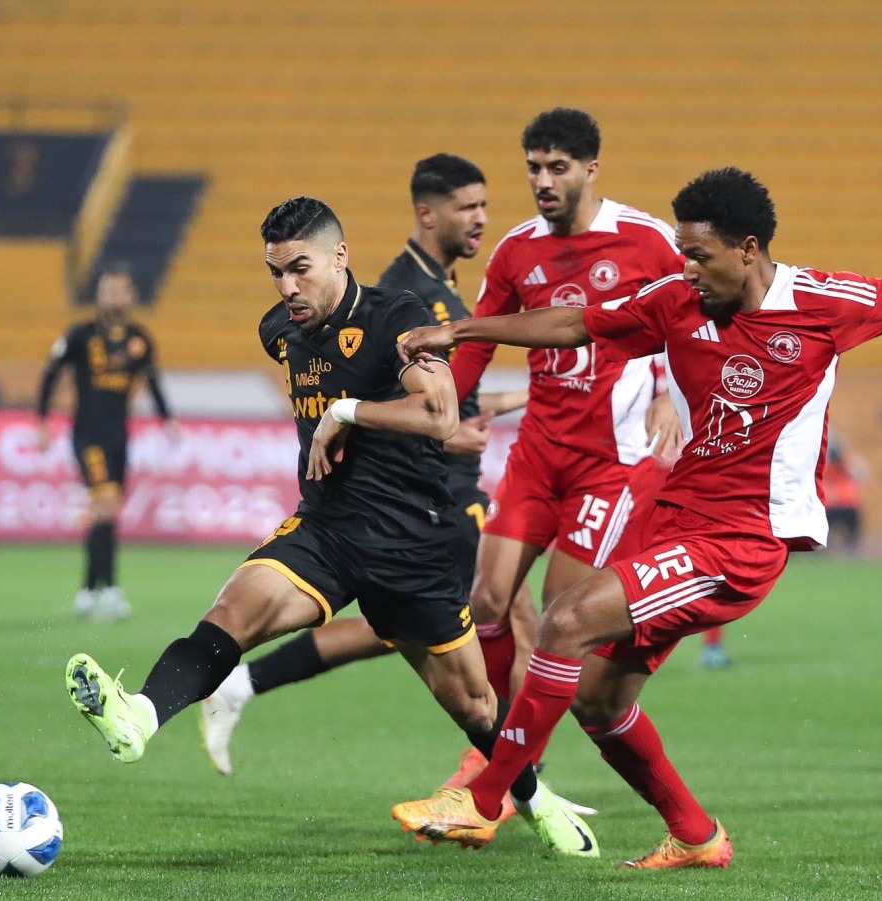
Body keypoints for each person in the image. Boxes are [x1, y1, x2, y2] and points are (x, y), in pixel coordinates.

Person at [390, 167, 882, 868]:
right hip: (678, 521)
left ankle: (482, 801)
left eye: (699, 254)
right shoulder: (676, 300)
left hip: (744, 538)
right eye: (681, 252)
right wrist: (464, 331)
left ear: (748, 249)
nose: (684, 268)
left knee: (564, 620)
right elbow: (574, 323)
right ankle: (696, 834)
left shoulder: (821, 301)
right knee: (597, 699)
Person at [63, 196, 599, 858]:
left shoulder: (395, 318)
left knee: (476, 709)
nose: (288, 287)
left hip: (413, 546)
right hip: (326, 531)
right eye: (276, 273)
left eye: (300, 268)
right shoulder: (281, 329)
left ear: (341, 257)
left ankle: (538, 801)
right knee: (233, 610)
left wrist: (346, 410)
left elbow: (437, 415)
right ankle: (138, 716)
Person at [198, 156, 535, 803]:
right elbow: (397, 399)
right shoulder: (406, 294)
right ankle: (501, 779)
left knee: (432, 626)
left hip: (449, 483)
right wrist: (435, 425)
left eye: (484, 205)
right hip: (430, 491)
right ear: (427, 213)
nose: (482, 219)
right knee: (504, 618)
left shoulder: (443, 287)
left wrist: (526, 394)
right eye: (468, 207)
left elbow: (455, 399)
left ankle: (245, 684)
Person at [441, 109, 681, 784]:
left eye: (557, 168)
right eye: (533, 169)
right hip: (538, 455)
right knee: (485, 601)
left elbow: (686, 324)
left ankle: (509, 770)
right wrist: (445, 416)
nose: (542, 182)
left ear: (591, 168)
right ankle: (496, 742)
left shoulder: (647, 241)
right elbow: (481, 340)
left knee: (554, 619)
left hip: (609, 464)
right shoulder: (517, 250)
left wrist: (672, 394)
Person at [36, 262, 176, 620]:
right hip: (88, 436)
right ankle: (110, 591)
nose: (114, 297)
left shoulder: (139, 340)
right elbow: (51, 375)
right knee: (106, 508)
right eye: (108, 290)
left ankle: (87, 592)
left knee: (106, 515)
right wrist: (42, 420)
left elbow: (154, 381)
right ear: (99, 294)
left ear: (131, 295)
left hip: (119, 438)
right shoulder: (80, 335)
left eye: (120, 290)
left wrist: (167, 420)